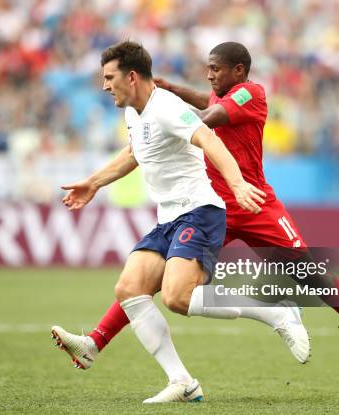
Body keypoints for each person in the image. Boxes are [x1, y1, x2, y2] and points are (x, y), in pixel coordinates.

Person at [52, 42, 339, 372]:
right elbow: (207, 100)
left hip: (253, 200)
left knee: (307, 272)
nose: (210, 74)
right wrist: (170, 92)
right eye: (208, 69)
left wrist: (167, 115)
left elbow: (210, 114)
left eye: (216, 69)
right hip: (212, 204)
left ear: (239, 70)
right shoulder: (213, 96)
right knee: (152, 280)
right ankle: (97, 341)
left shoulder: (251, 94)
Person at [54, 41, 310, 403]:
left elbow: (208, 139)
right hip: (169, 217)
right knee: (129, 289)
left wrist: (237, 184)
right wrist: (93, 182)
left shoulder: (167, 108)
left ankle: (275, 314)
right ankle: (182, 382)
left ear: (131, 76)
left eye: (110, 78)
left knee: (177, 297)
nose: (105, 86)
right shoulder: (133, 113)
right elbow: (134, 153)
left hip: (201, 211)